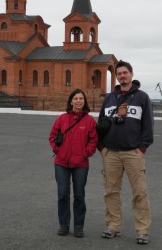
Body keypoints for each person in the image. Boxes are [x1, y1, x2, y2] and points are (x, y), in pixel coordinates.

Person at [97, 60, 154, 245]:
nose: (122, 76)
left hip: (133, 152)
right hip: (111, 152)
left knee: (140, 191)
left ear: (131, 74)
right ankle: (113, 226)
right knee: (111, 191)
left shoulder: (142, 97)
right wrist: (102, 147)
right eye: (119, 73)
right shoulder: (109, 98)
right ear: (116, 76)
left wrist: (142, 147)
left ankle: (143, 230)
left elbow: (148, 125)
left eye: (125, 73)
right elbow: (101, 125)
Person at [49, 89, 98, 238]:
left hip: (80, 164)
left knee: (79, 196)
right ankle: (63, 225)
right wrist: (58, 150)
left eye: (81, 99)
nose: (78, 101)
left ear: (84, 102)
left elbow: (93, 140)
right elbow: (52, 136)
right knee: (63, 194)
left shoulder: (89, 121)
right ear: (71, 101)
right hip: (62, 162)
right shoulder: (62, 118)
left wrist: (86, 153)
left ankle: (78, 226)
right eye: (75, 98)